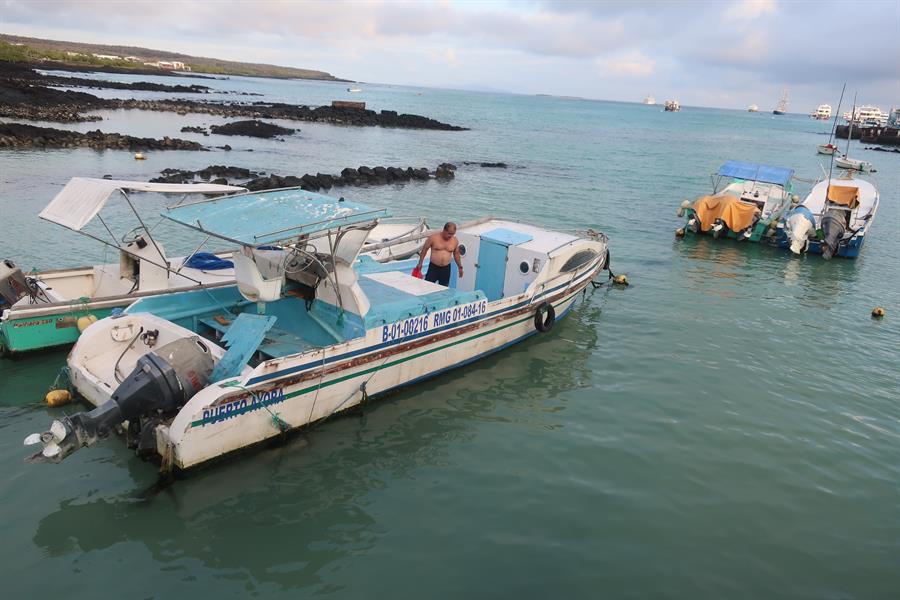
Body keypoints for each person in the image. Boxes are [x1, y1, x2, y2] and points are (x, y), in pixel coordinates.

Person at [416, 222, 463, 286]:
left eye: (453, 234)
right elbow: (424, 250)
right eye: (449, 233)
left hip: (446, 269)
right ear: (444, 230)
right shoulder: (433, 238)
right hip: (433, 268)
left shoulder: (455, 240)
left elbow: (456, 254)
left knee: (444, 287)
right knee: (427, 286)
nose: (450, 236)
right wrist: (420, 263)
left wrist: (460, 267)